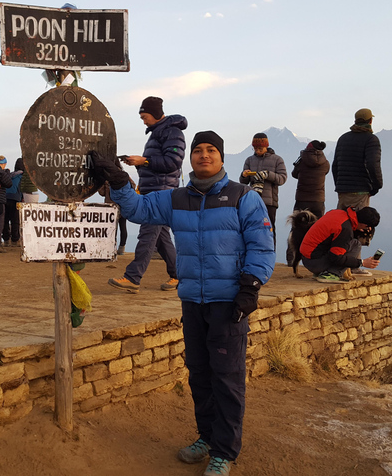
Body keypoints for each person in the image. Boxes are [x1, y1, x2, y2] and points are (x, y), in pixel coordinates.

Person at [91, 130, 276, 476]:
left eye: (211, 150)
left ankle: (224, 451)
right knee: (200, 374)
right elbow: (137, 208)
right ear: (190, 157)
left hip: (228, 303)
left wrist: (250, 286)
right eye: (198, 150)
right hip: (192, 301)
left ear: (221, 157)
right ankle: (206, 437)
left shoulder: (242, 197)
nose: (204, 155)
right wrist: (119, 180)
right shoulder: (176, 199)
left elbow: (262, 245)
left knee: (227, 378)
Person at [109, 96, 185, 293]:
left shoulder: (172, 132)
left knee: (147, 234)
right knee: (161, 238)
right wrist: (140, 163)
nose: (143, 120)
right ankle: (179, 275)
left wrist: (144, 161)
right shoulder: (158, 133)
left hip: (162, 192)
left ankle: (132, 277)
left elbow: (173, 162)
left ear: (155, 114)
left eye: (145, 116)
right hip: (154, 190)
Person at [299, 206, 381, 283]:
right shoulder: (345, 229)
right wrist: (362, 263)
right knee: (356, 245)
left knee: (353, 243)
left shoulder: (339, 213)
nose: (367, 229)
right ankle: (332, 274)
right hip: (315, 263)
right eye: (368, 227)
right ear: (364, 224)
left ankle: (321, 272)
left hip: (307, 258)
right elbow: (335, 257)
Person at [287, 140, 330, 266]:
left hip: (302, 198)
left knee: (296, 227)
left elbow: (294, 174)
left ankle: (291, 259)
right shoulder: (325, 163)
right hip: (318, 200)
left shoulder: (302, 161)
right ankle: (317, 259)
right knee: (318, 231)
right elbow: (326, 172)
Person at [239, 133, 287, 246]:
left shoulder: (277, 160)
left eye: (260, 148)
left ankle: (270, 252)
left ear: (266, 146)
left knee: (269, 228)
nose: (257, 151)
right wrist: (244, 175)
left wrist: (268, 174)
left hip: (270, 202)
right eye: (255, 148)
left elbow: (282, 179)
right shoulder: (249, 160)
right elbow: (243, 182)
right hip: (252, 200)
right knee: (252, 227)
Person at [332, 108, 383, 210]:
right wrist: (376, 186)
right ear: (370, 121)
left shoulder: (343, 138)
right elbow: (372, 164)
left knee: (343, 223)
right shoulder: (371, 139)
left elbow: (335, 166)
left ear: (356, 121)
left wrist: (340, 185)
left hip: (342, 192)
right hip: (360, 190)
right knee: (358, 222)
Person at [2, 163, 23, 247]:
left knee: (5, 220)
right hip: (15, 198)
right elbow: (21, 188)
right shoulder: (21, 176)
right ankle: (15, 239)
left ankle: (6, 239)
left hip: (5, 198)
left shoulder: (10, 175)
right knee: (15, 220)